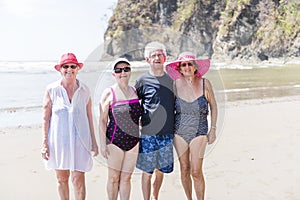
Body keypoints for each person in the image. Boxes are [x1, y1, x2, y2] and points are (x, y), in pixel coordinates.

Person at [41, 53, 99, 200]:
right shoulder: (51, 90)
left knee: (78, 179)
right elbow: (45, 119)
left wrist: (94, 141)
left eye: (72, 66)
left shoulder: (85, 90)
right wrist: (44, 143)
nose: (69, 69)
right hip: (59, 143)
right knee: (62, 178)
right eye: (65, 66)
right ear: (60, 69)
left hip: (80, 142)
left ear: (77, 69)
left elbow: (89, 117)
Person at [166, 52, 217, 200]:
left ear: (195, 67)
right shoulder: (175, 85)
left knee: (195, 171)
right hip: (179, 132)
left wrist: (212, 128)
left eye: (190, 64)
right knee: (184, 169)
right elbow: (168, 109)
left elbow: (214, 106)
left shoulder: (204, 83)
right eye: (183, 64)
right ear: (179, 69)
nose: (187, 67)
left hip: (199, 131)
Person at [135, 41, 175, 200]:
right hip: (148, 133)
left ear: (165, 58)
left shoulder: (172, 79)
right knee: (147, 171)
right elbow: (133, 103)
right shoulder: (142, 80)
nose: (157, 58)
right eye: (153, 55)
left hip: (167, 132)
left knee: (161, 170)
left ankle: (155, 197)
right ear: (147, 60)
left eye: (160, 55)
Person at [99, 58, 142, 200]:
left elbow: (139, 117)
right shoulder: (109, 93)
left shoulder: (135, 91)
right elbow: (103, 120)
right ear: (114, 74)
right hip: (115, 141)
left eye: (126, 69)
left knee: (126, 178)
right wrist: (102, 144)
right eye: (118, 70)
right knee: (113, 178)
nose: (122, 72)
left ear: (130, 72)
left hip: (134, 142)